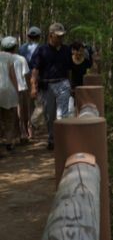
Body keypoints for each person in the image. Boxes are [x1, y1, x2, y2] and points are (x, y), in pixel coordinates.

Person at [30, 23, 72, 151]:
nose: (61, 39)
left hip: (63, 83)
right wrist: (33, 86)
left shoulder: (66, 49)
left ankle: (61, 140)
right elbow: (35, 70)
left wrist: (71, 84)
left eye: (62, 36)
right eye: (58, 36)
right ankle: (51, 138)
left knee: (62, 115)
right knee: (50, 115)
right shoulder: (41, 50)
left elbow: (69, 68)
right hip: (47, 85)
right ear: (50, 35)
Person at [3, 37, 31, 142]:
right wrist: (29, 88)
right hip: (20, 88)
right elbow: (27, 75)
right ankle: (23, 134)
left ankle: (10, 137)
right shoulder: (21, 59)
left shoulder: (2, 58)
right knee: (22, 113)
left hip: (5, 90)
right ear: (15, 47)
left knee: (9, 115)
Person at [0, 37, 20, 155]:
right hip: (8, 91)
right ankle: (8, 144)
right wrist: (17, 90)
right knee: (9, 119)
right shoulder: (10, 58)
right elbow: (12, 75)